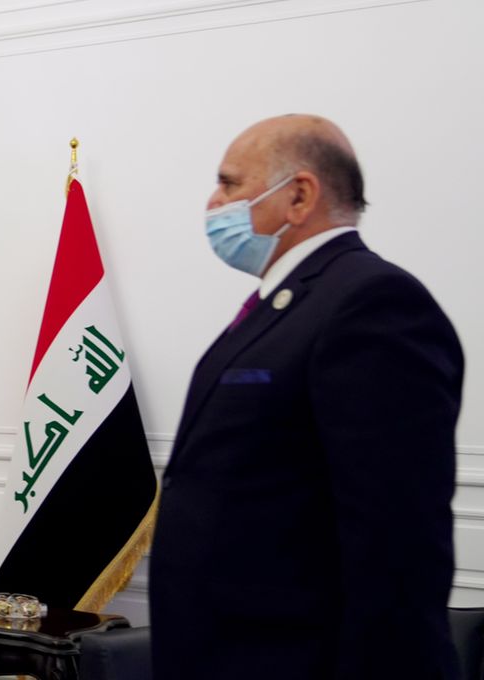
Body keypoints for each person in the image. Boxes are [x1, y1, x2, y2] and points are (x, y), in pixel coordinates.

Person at [151, 115, 463, 678]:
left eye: (229, 183)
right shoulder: (288, 303)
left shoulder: (373, 303)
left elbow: (396, 541)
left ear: (299, 196)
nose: (213, 202)